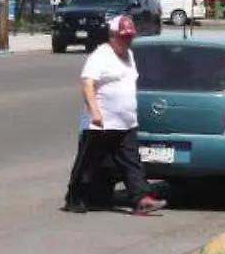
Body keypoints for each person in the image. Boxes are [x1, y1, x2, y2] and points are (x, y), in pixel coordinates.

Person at [62, 15, 167, 216]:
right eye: (123, 37)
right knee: (87, 163)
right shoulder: (100, 56)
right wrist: (94, 111)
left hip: (126, 123)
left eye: (130, 37)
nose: (128, 41)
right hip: (101, 123)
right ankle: (75, 199)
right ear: (112, 36)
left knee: (132, 163)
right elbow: (87, 84)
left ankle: (141, 199)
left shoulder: (129, 56)